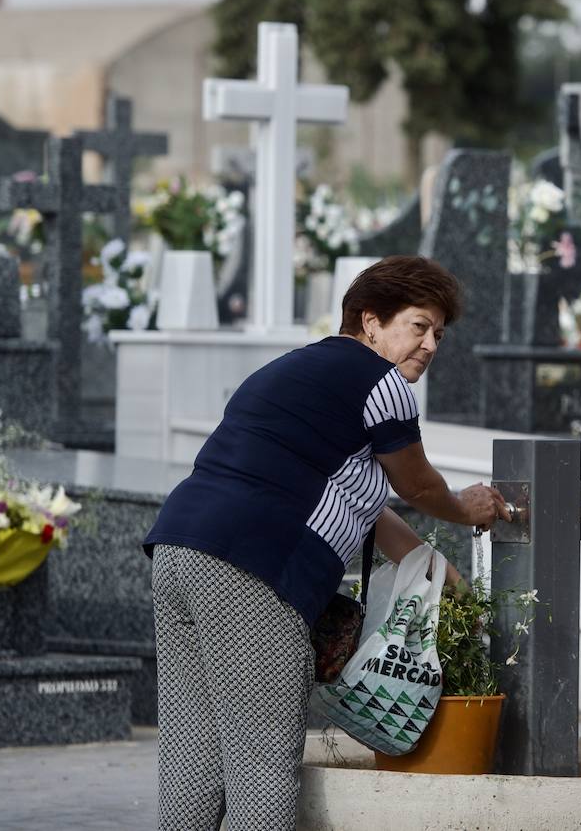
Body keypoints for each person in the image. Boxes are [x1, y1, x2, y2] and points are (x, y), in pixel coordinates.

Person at [143, 255, 508, 831]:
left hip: (178, 554)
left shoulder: (293, 371)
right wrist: (466, 507)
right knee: (262, 775)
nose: (431, 345)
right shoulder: (382, 383)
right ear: (371, 321)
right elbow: (416, 485)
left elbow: (369, 507)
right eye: (419, 326)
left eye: (439, 334)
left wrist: (445, 580)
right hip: (253, 574)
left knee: (194, 757)